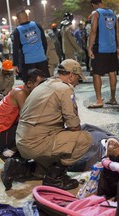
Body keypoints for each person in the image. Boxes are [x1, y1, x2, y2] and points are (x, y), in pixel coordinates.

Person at [15, 59, 92, 190]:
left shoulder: (44, 84)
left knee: (56, 143)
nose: (78, 83)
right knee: (84, 138)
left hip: (22, 140)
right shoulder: (65, 89)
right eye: (78, 79)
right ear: (71, 76)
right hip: (36, 143)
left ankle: (22, 168)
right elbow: (74, 125)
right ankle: (55, 177)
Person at [0, 69, 45, 164]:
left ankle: (17, 151)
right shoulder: (20, 93)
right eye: (40, 85)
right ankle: (6, 154)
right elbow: (29, 118)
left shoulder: (23, 91)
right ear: (29, 84)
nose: (43, 88)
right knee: (32, 128)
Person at [88, 0, 119, 108]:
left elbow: (93, 31)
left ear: (93, 4)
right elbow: (117, 31)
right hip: (112, 48)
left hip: (100, 47)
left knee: (96, 73)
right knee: (112, 72)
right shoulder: (112, 13)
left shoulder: (96, 13)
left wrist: (89, 48)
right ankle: (113, 98)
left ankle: (99, 100)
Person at [12, 10, 50, 82]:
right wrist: (42, 53)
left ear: (18, 19)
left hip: (28, 62)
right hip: (42, 59)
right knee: (45, 83)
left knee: (31, 84)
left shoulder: (17, 31)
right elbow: (44, 42)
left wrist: (15, 64)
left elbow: (15, 49)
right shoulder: (37, 25)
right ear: (27, 16)